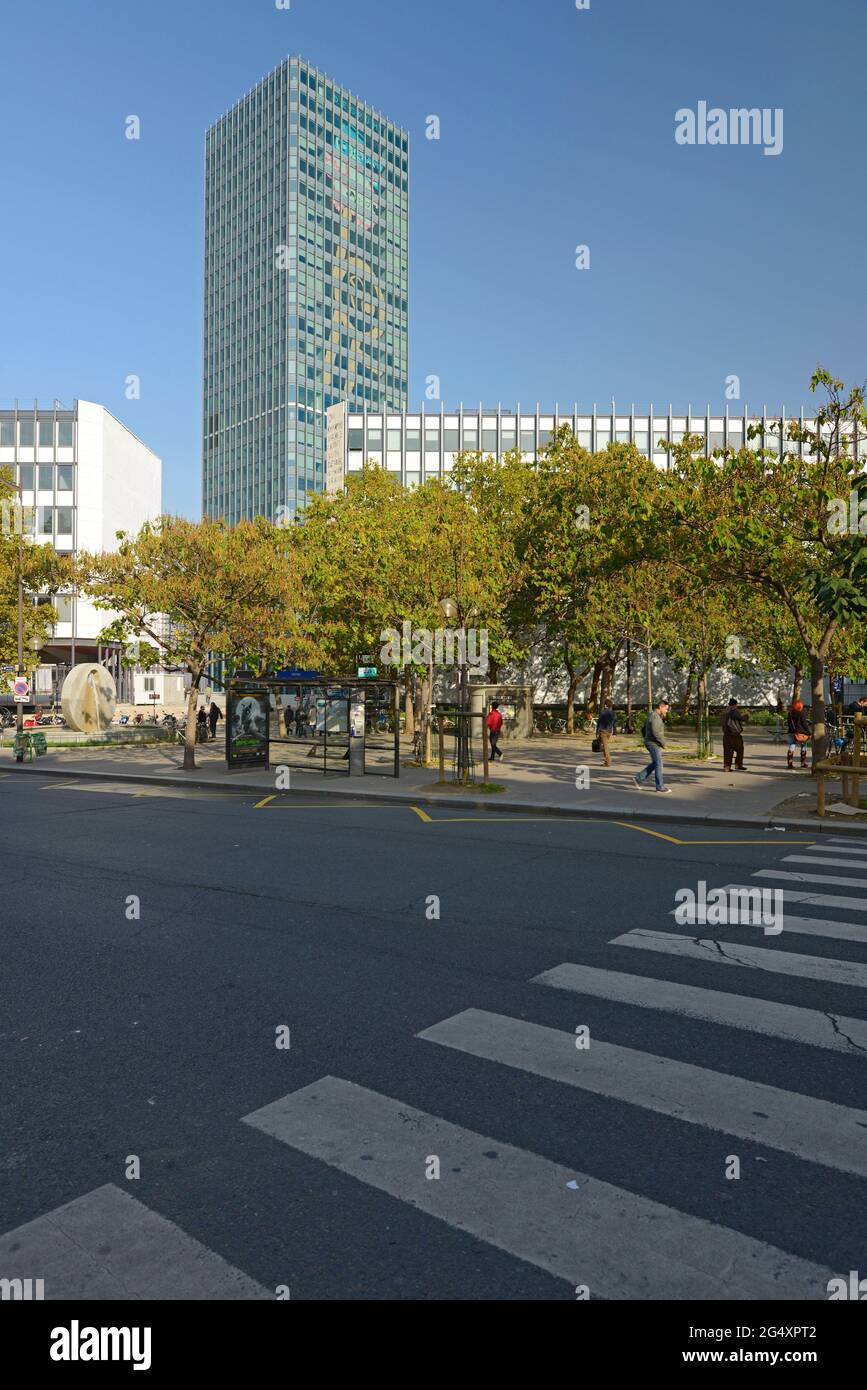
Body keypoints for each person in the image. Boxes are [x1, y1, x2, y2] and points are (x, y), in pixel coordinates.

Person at [635, 697, 671, 793]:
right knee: (659, 764)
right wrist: (663, 743)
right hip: (652, 743)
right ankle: (660, 787)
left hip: (651, 742)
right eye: (666, 709)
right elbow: (656, 732)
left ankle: (639, 778)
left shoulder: (655, 715)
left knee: (656, 763)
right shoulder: (655, 716)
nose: (667, 711)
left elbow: (644, 729)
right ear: (661, 707)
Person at [722, 698, 746, 772]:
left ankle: (727, 767)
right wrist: (746, 716)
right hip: (734, 735)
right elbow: (742, 718)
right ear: (735, 705)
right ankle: (738, 765)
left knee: (727, 751)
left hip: (726, 734)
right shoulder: (735, 711)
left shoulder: (725, 712)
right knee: (740, 750)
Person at [787, 700, 812, 770]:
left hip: (792, 732)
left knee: (791, 746)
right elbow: (804, 724)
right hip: (801, 733)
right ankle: (803, 763)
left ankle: (790, 763)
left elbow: (789, 723)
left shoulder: (790, 713)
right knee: (803, 746)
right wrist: (809, 733)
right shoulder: (802, 713)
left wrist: (791, 729)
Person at [596, 699, 616, 768]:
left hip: (603, 731)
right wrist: (614, 732)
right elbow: (614, 723)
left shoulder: (602, 712)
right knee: (605, 746)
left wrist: (597, 731)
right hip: (609, 731)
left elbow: (599, 722)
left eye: (604, 704)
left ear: (605, 705)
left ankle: (608, 762)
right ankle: (606, 761)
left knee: (605, 747)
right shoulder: (613, 712)